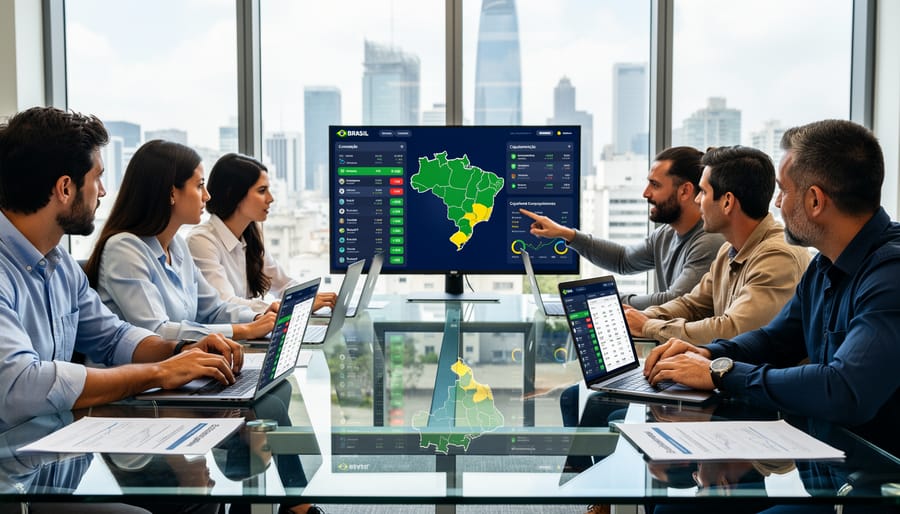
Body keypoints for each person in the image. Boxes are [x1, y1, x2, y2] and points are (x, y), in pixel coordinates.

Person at [643, 119, 900, 459]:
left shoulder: (890, 274)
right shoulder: (826, 264)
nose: (777, 203)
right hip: (825, 465)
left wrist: (722, 373)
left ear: (814, 201)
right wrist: (709, 354)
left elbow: (844, 390)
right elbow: (775, 339)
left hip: (871, 489)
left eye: (783, 190)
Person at [0, 106, 243, 431]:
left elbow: (113, 337)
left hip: (50, 451)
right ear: (65, 188)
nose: (102, 191)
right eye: (97, 177)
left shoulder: (61, 267)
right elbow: (20, 385)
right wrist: (159, 373)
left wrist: (181, 350)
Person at [84, 140, 275, 342]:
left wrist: (259, 318)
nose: (207, 196)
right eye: (200, 186)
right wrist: (244, 331)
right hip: (133, 372)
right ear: (172, 193)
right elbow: (157, 332)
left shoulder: (178, 246)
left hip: (181, 368)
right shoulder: (124, 249)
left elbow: (213, 309)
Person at [625, 146, 811, 344]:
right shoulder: (728, 250)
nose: (697, 200)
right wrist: (645, 317)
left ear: (727, 202)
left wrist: (647, 327)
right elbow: (692, 305)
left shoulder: (778, 256)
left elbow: (733, 331)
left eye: (703, 192)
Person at [520, 146, 724, 309]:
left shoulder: (708, 241)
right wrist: (566, 234)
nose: (645, 193)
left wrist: (606, 301)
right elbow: (623, 260)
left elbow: (673, 301)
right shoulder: (665, 234)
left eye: (655, 185)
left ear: (685, 191)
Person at [186, 153, 336, 315]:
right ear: (233, 193)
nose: (270, 199)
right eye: (262, 191)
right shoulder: (201, 241)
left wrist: (311, 298)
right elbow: (224, 303)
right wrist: (288, 306)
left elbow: (284, 284)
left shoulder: (249, 237)